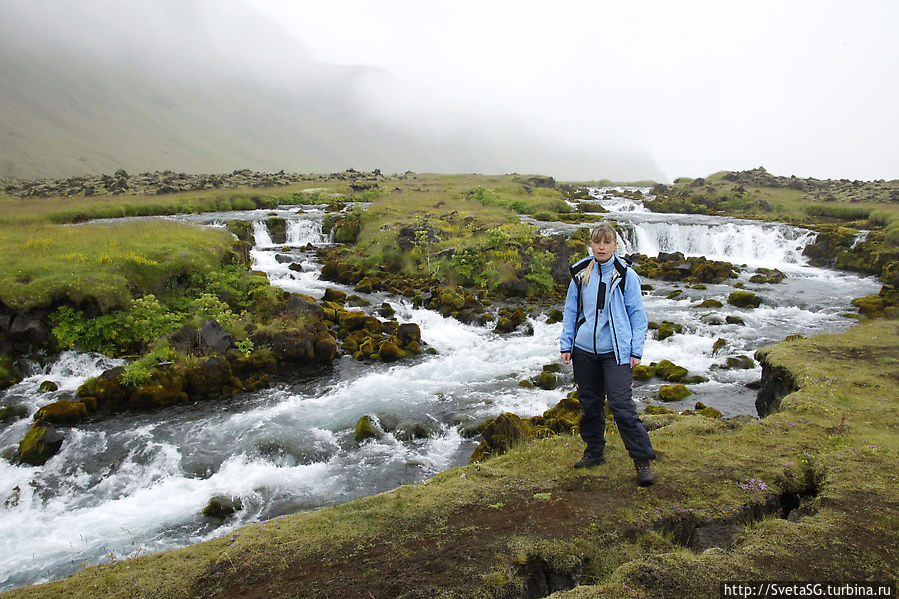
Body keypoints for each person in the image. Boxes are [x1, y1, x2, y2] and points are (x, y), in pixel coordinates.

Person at [560, 223, 656, 486]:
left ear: (615, 245)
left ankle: (642, 460)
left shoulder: (626, 276)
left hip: (616, 352)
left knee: (622, 406)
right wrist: (566, 345)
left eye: (606, 243)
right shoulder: (580, 274)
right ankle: (594, 453)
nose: (601, 247)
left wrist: (636, 350)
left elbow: (638, 316)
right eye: (596, 242)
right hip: (584, 352)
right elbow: (571, 312)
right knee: (590, 405)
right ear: (591, 245)